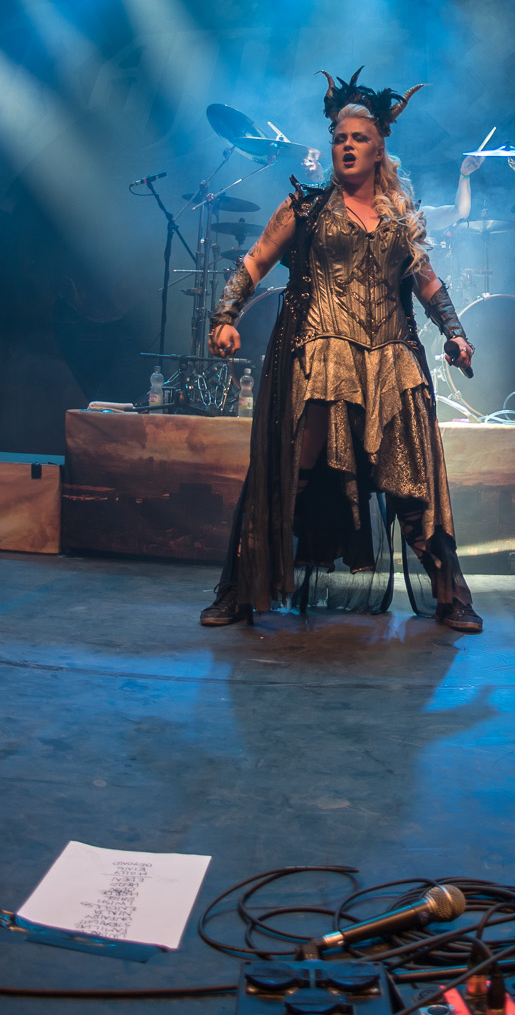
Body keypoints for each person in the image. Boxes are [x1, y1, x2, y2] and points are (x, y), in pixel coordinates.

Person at [201, 69, 481, 631]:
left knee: (413, 481)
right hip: (322, 358)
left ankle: (451, 594)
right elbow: (255, 261)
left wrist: (455, 332)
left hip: (391, 359)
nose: (347, 146)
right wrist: (225, 316)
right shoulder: (304, 208)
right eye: (339, 139)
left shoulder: (402, 218)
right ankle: (238, 589)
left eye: (359, 138)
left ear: (379, 151)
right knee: (292, 471)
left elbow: (427, 283)